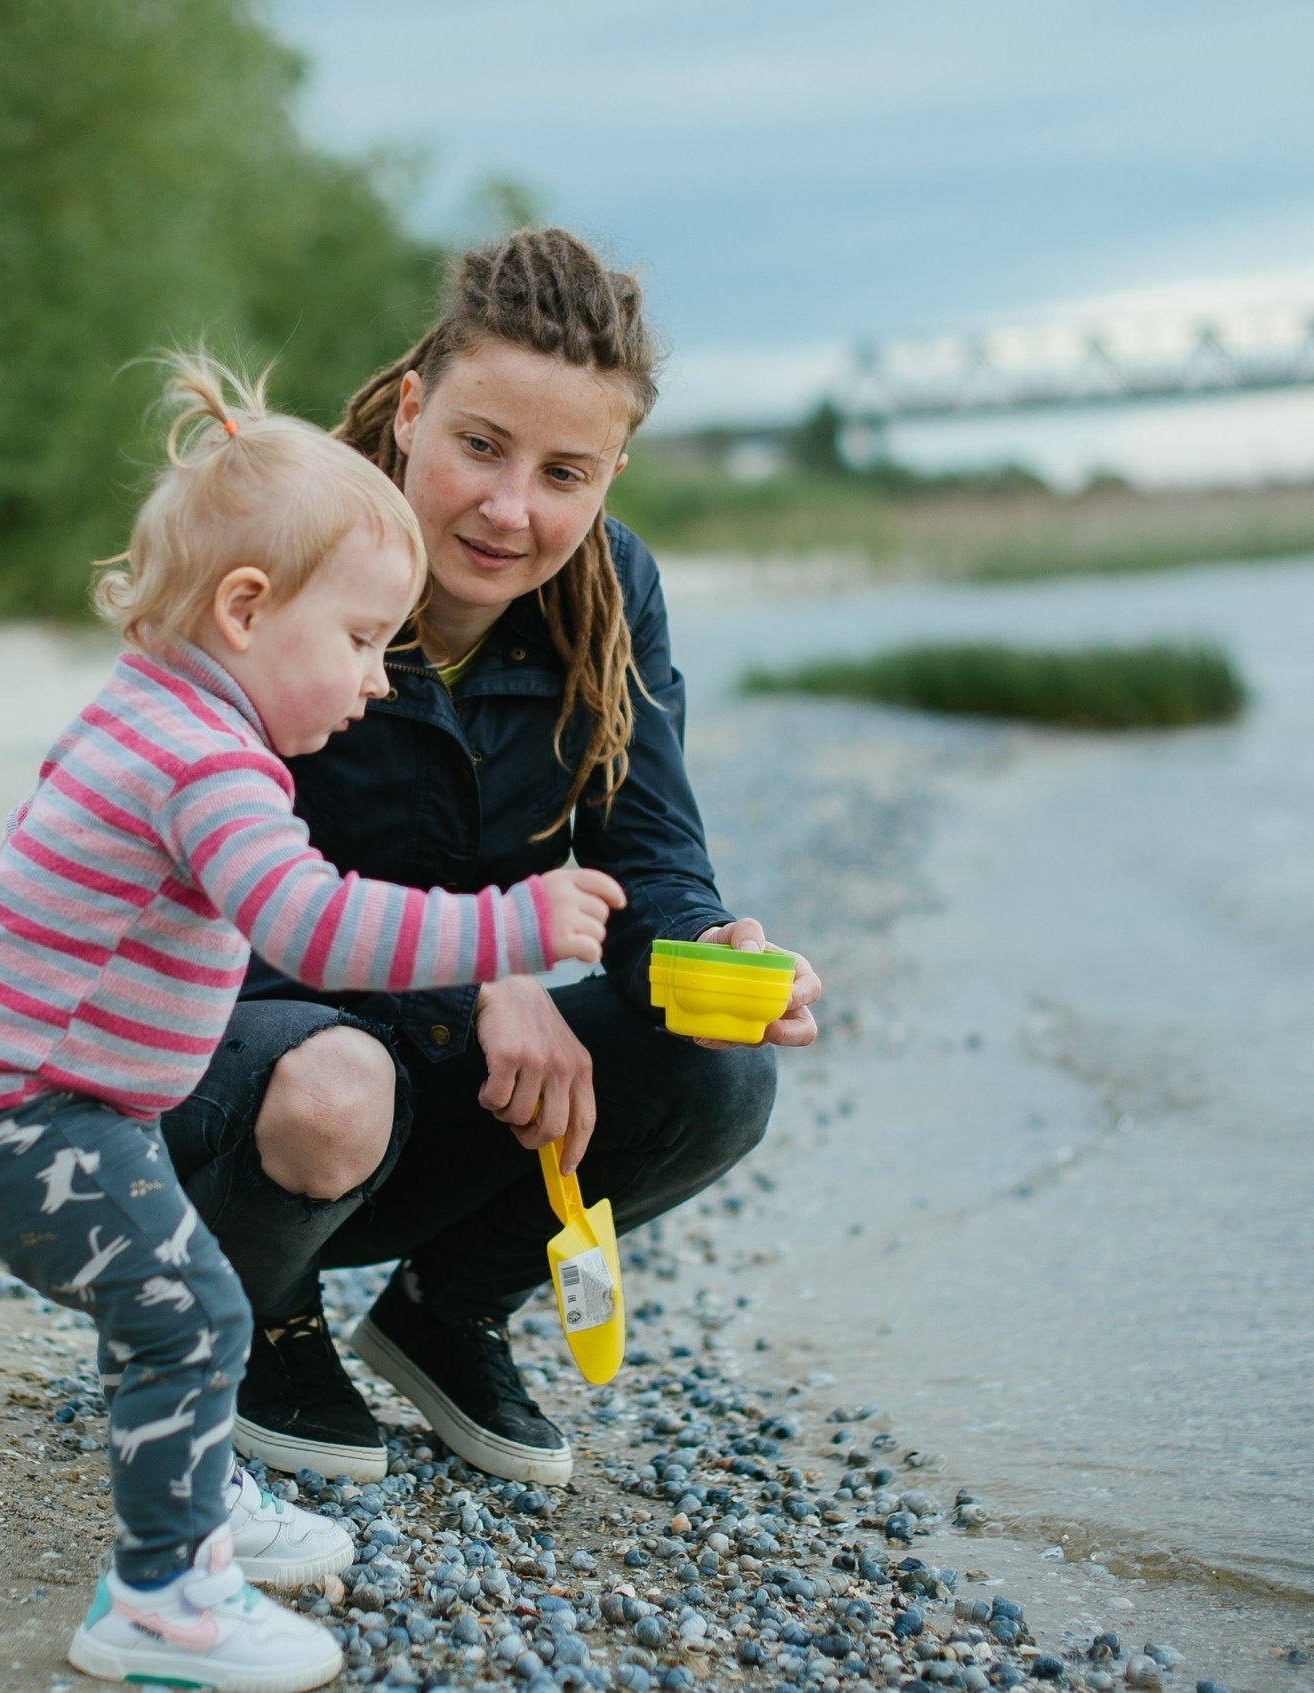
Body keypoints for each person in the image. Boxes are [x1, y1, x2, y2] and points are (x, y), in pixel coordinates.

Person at [0, 354, 627, 1692]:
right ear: (245, 609)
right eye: (357, 642)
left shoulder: (155, 701)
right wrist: (509, 928)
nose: (378, 681)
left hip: (21, 1100)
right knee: (189, 1312)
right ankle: (161, 1606)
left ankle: (196, 1494)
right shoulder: (206, 761)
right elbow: (314, 925)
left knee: (177, 1295)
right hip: (16, 1122)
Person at [155, 228, 824, 1489]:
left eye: (564, 472)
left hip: (418, 1078)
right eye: (479, 445)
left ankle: (443, 1313)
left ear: (612, 473)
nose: (511, 509)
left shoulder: (613, 593)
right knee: (332, 1082)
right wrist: (478, 979)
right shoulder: (286, 547)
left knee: (721, 1068)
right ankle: (252, 1316)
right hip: (211, 1074)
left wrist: (714, 950)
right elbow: (208, 903)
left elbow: (648, 856)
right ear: (412, 411)